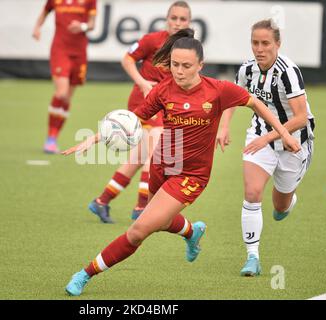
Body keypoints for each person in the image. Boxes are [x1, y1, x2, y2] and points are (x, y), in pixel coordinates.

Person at [61, 28, 300, 296]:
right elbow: (130, 121)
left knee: (138, 230)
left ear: (200, 65)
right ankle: (191, 232)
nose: (179, 71)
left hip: (192, 176)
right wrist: (94, 138)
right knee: (158, 221)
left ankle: (84, 274)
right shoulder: (163, 90)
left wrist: (283, 135)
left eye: (186, 66)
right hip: (163, 164)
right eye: (175, 64)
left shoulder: (218, 90)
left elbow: (255, 104)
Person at [216, 19, 315, 277]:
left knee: (280, 206)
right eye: (255, 43)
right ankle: (252, 257)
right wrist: (224, 126)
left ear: (277, 44)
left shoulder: (288, 72)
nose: (259, 49)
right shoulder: (247, 70)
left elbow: (301, 117)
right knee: (252, 192)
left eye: (265, 43)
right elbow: (233, 97)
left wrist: (270, 137)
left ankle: (287, 201)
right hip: (259, 136)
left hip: (294, 142)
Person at [88, 1, 192, 223]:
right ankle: (141, 208)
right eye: (174, 18)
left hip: (165, 107)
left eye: (182, 19)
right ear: (167, 19)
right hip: (144, 103)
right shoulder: (153, 40)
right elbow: (127, 59)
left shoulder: (189, 47)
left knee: (139, 157)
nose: (177, 23)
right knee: (153, 155)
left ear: (189, 22)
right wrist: (143, 82)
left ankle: (101, 201)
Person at [32, 0, 97, 154]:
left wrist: (81, 26)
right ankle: (50, 138)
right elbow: (45, 12)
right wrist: (37, 28)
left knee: (67, 98)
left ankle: (54, 138)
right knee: (61, 93)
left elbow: (92, 24)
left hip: (79, 52)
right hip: (60, 50)